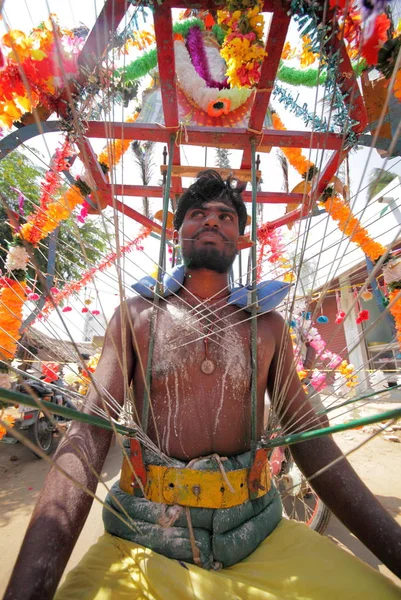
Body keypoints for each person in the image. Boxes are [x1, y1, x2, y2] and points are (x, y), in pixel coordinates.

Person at [5, 170, 401, 600]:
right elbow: (89, 431)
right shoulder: (137, 316)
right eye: (198, 213)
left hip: (257, 533)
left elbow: (310, 440)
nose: (211, 221)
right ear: (178, 232)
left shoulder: (267, 326)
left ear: (242, 240)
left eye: (225, 217)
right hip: (144, 536)